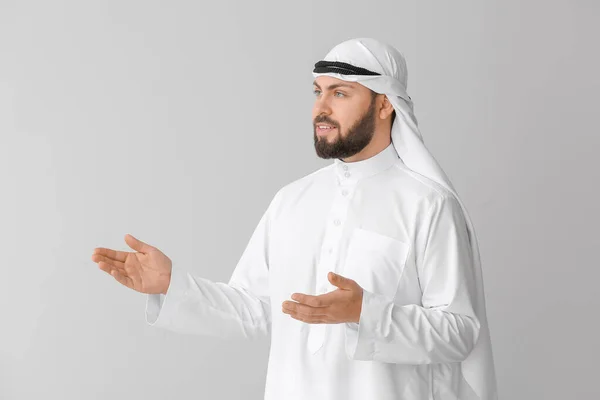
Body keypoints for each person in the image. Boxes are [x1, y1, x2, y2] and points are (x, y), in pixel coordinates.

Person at [91, 37, 498, 400]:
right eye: (318, 92)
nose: (321, 108)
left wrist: (365, 314)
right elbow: (255, 309)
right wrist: (172, 285)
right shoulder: (292, 201)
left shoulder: (428, 204)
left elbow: (460, 333)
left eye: (340, 93)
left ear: (384, 103)